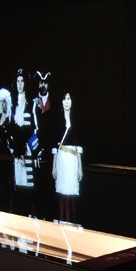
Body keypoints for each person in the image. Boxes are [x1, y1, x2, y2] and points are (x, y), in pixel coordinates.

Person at [52, 91, 83, 224]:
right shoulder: (58, 121)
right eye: (64, 99)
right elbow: (54, 147)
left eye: (69, 98)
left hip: (72, 161)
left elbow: (79, 147)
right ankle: (61, 224)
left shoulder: (76, 121)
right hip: (61, 160)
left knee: (72, 194)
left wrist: (80, 168)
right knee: (62, 194)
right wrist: (54, 167)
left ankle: (73, 225)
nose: (66, 101)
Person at [11, 68, 37, 217]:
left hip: (27, 151)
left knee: (29, 187)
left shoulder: (30, 103)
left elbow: (32, 128)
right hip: (17, 152)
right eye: (18, 81)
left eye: (22, 81)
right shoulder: (13, 104)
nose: (20, 84)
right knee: (19, 186)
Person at [32, 70, 57, 221]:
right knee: (38, 186)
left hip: (50, 151)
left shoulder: (53, 104)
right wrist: (35, 149)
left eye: (45, 83)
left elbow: (55, 129)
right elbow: (32, 128)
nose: (43, 85)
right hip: (37, 151)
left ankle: (49, 217)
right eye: (41, 82)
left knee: (49, 187)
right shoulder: (34, 103)